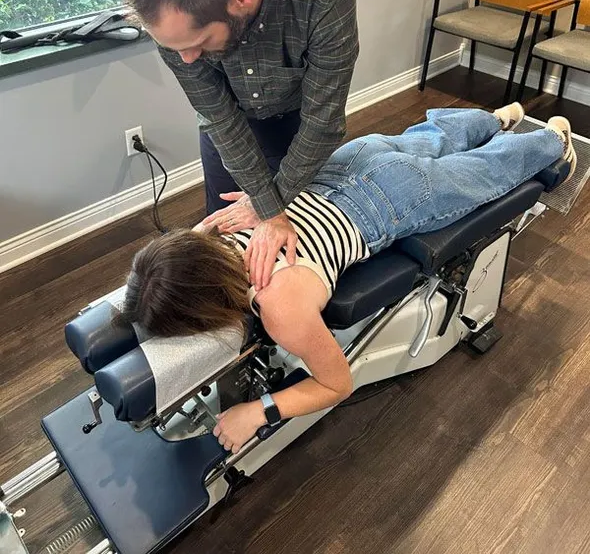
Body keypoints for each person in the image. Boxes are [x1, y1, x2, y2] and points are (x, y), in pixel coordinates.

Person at [123, 105, 576, 454]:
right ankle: (494, 119)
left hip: (390, 199)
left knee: (486, 173)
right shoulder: (216, 227)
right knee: (427, 138)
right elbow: (178, 255)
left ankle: (554, 141)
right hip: (346, 162)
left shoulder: (276, 304)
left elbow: (337, 385)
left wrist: (255, 412)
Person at [123, 0, 359, 291]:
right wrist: (267, 207)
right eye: (174, 48)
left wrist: (272, 210)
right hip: (230, 129)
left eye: (198, 44)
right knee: (226, 242)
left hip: (301, 125)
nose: (186, 59)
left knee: (292, 250)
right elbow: (218, 117)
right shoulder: (173, 18)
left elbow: (323, 123)